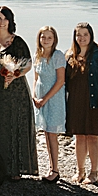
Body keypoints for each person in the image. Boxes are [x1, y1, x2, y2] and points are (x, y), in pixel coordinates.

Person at [0, 6, 37, 179]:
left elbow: (29, 64)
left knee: (15, 124)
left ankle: (16, 168)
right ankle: (0, 167)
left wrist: (16, 74)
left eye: (5, 18)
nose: (2, 22)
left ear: (10, 21)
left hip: (16, 89)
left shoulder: (18, 41)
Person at [64, 23, 98, 185]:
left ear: (91, 36)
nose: (81, 38)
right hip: (75, 101)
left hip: (93, 100)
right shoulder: (70, 55)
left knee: (93, 137)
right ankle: (80, 171)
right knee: (79, 136)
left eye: (85, 34)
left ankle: (94, 172)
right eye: (78, 35)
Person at [33, 26, 67, 183]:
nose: (45, 40)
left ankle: (55, 170)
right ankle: (51, 166)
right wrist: (34, 96)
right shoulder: (38, 56)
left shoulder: (58, 56)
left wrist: (45, 99)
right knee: (46, 133)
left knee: (52, 134)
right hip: (40, 99)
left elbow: (60, 81)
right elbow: (35, 79)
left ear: (54, 40)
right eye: (43, 37)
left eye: (49, 37)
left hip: (53, 99)